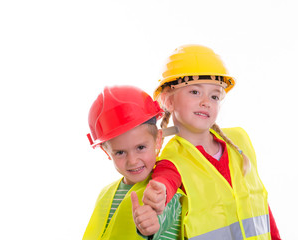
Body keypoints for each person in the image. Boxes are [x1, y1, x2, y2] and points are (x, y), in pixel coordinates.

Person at [138, 44, 281, 239]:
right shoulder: (172, 159)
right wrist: (159, 192)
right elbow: (165, 182)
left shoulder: (240, 141)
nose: (206, 101)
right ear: (169, 101)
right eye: (195, 92)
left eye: (214, 96)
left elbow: (261, 205)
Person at [82, 85, 185, 240]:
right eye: (120, 152)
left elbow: (166, 213)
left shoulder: (164, 190)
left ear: (158, 140)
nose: (132, 161)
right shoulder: (105, 194)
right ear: (106, 151)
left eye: (141, 147)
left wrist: (151, 224)